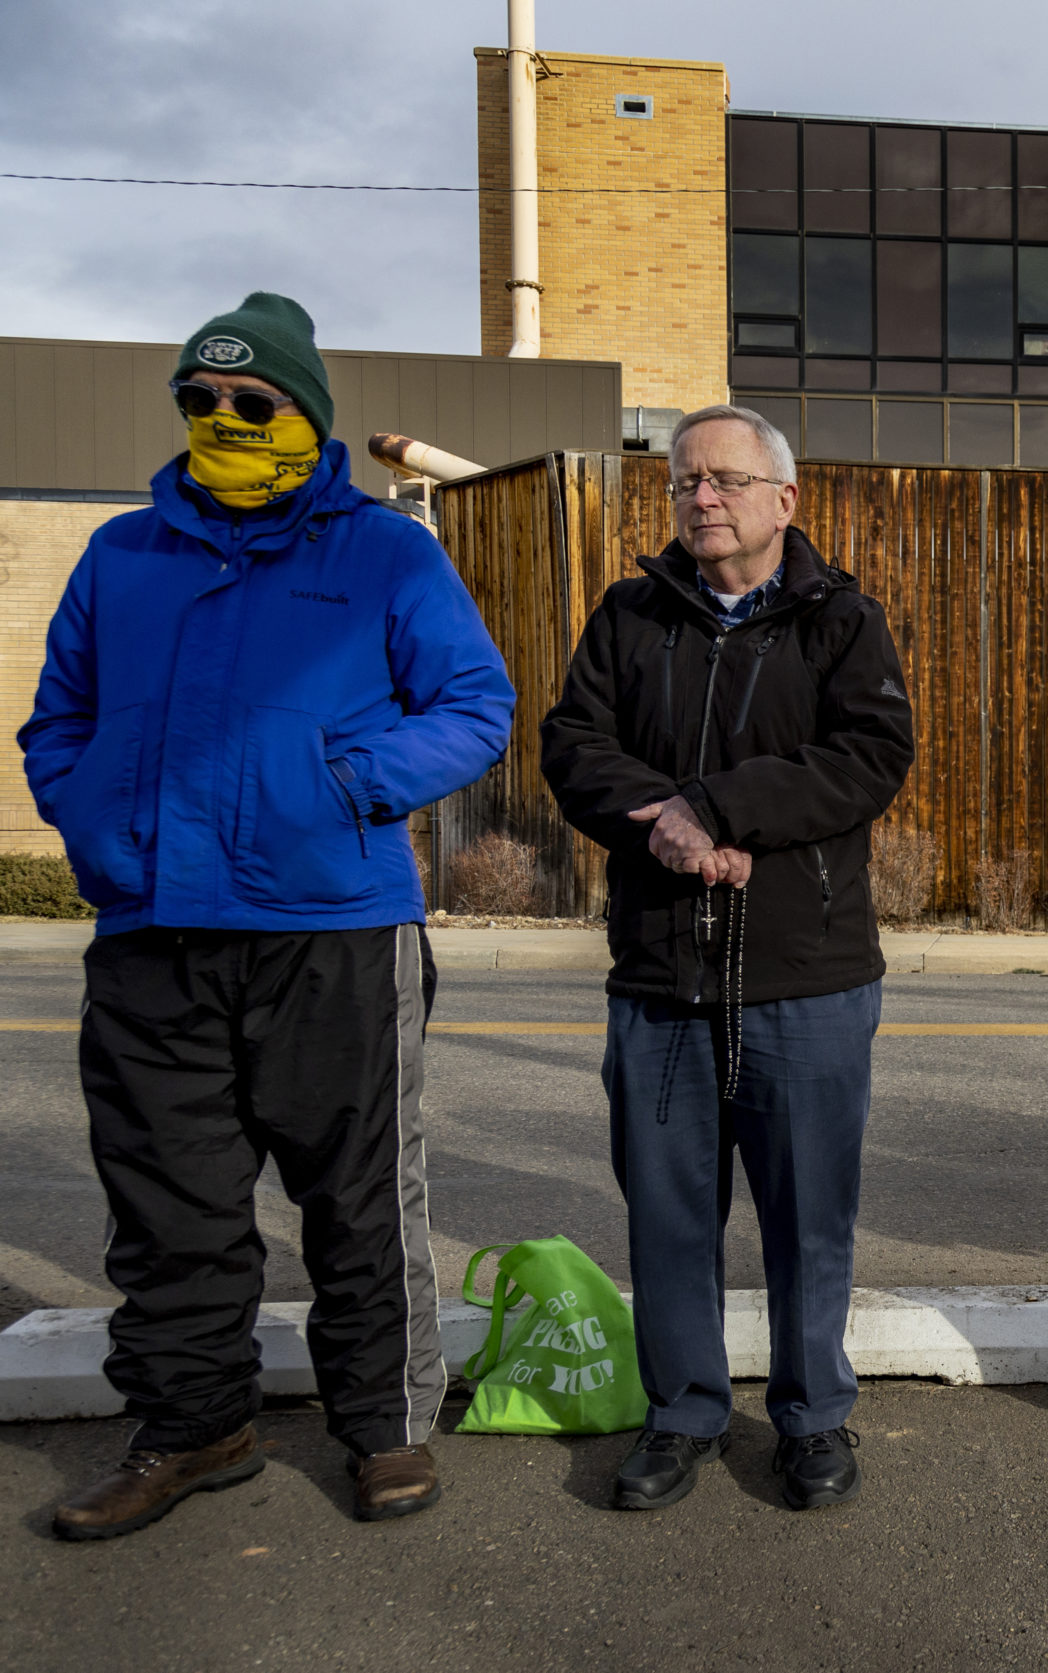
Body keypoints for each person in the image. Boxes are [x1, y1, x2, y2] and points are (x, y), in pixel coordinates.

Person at [22, 293, 516, 1538]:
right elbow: (57, 724)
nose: (225, 418)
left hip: (334, 927)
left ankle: (384, 1426)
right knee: (170, 1201)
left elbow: (473, 705)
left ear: (308, 416)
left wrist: (344, 782)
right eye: (201, 400)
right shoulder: (120, 555)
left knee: (359, 1198)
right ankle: (194, 1425)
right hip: (152, 928)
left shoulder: (386, 553)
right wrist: (93, 825)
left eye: (254, 401)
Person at [540, 404, 914, 1511]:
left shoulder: (842, 620)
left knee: (809, 1217)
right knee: (667, 1213)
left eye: (727, 479)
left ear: (783, 499)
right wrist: (662, 821)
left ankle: (812, 1415)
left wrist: (714, 804)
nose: (702, 497)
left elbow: (869, 753)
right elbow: (572, 746)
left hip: (808, 975)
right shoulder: (628, 615)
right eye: (685, 481)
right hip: (661, 975)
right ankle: (684, 1411)